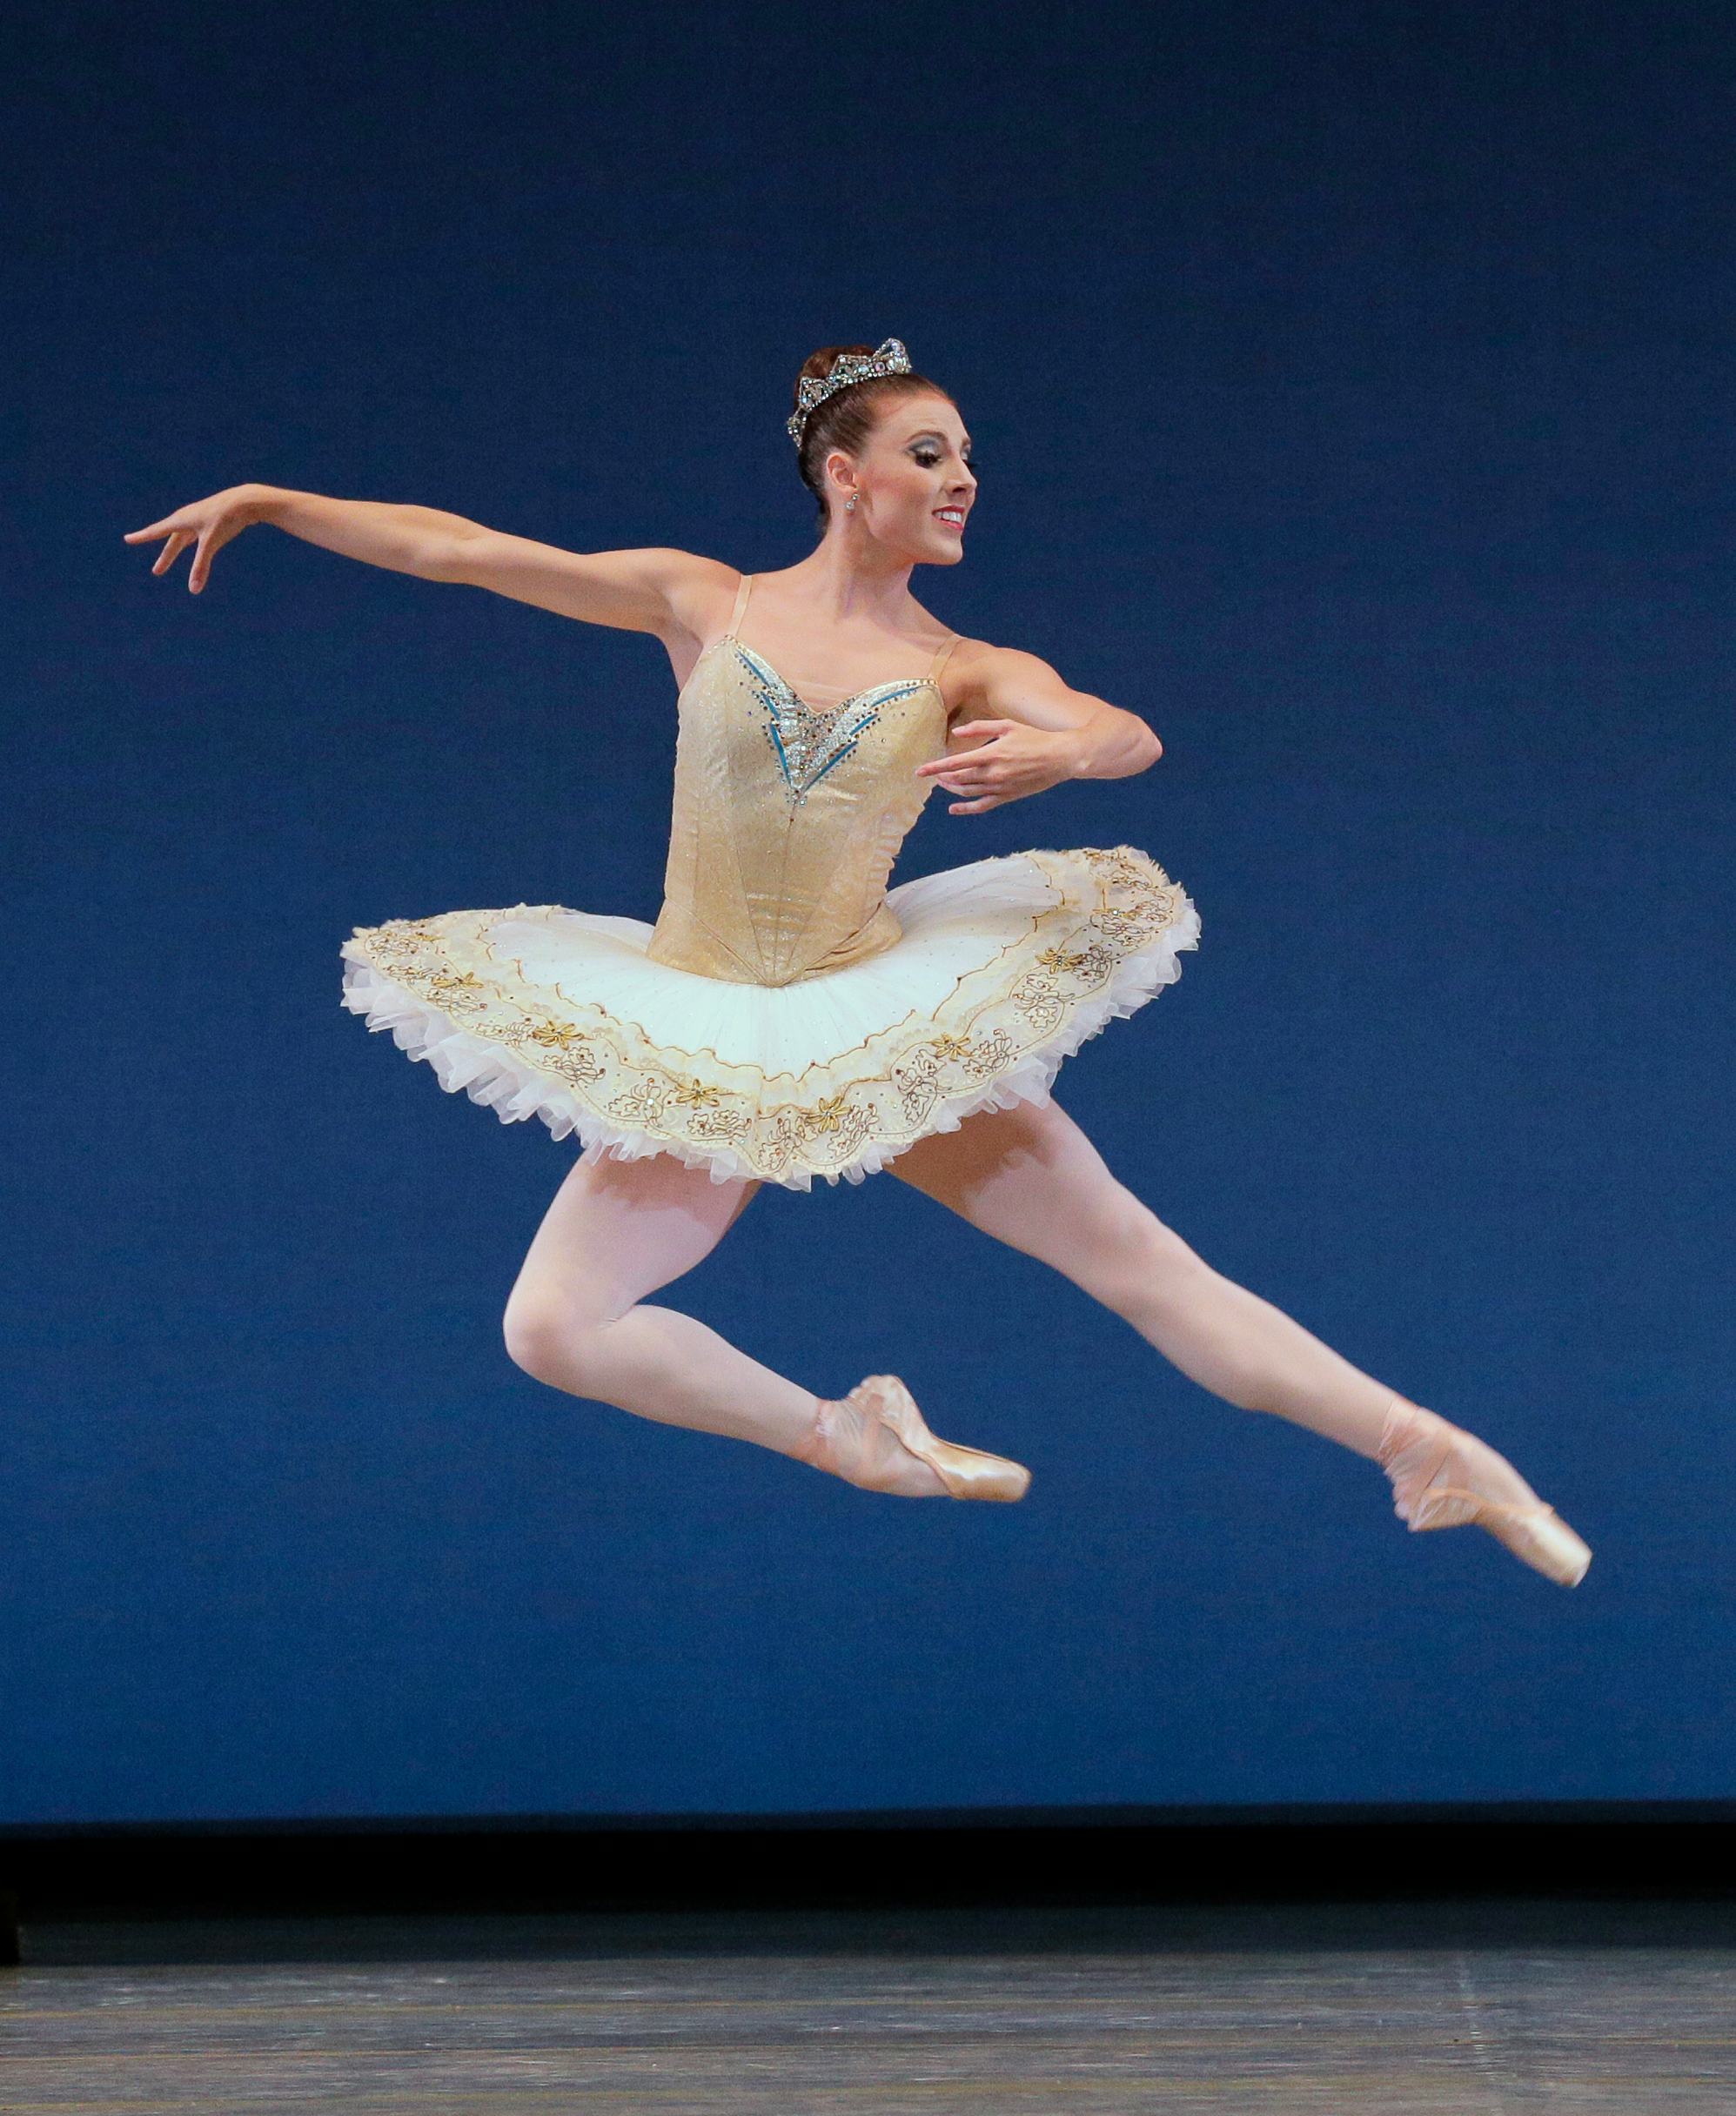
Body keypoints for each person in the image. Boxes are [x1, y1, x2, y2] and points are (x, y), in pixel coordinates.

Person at [124, 338, 1592, 1584]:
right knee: (555, 1328)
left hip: (876, 1014)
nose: (963, 482)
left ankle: (1428, 1449)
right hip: (697, 1019)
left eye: (968, 461)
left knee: (1144, 1264)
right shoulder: (704, 600)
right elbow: (463, 552)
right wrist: (273, 499)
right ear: (849, 475)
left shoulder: (960, 665)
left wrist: (1072, 748)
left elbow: (1119, 727)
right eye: (931, 454)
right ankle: (843, 1432)